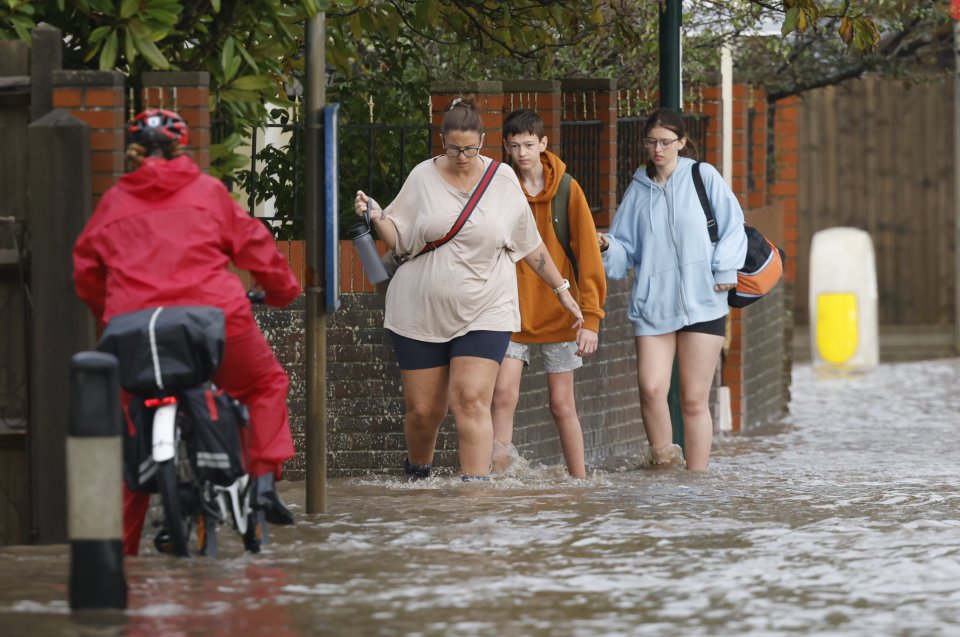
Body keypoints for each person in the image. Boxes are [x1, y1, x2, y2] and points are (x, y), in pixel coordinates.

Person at [73, 108, 302, 555]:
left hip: (135, 331)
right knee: (265, 384)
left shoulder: (114, 202)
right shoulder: (207, 192)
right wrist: (282, 291)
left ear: (134, 153)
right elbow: (256, 246)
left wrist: (110, 318)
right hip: (215, 322)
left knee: (128, 432)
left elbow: (85, 273)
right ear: (181, 147)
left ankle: (117, 558)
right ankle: (262, 482)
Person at [353, 96, 584, 481]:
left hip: (486, 309)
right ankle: (418, 476)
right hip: (419, 312)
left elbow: (530, 244)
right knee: (425, 412)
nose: (463, 156)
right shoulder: (422, 177)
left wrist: (562, 289)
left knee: (472, 400)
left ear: (482, 141)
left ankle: (474, 498)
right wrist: (378, 217)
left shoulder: (502, 181)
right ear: (442, 142)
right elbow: (399, 239)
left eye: (470, 149)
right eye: (454, 149)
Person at [598, 107, 747, 471]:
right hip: (654, 306)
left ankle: (695, 480)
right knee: (651, 389)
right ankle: (664, 465)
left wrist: (726, 267)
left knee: (694, 399)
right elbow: (623, 254)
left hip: (704, 302)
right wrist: (605, 247)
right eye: (651, 142)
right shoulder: (638, 189)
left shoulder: (703, 176)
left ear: (682, 142)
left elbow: (733, 226)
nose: (658, 149)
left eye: (666, 142)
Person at [490, 108, 606, 478]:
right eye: (514, 146)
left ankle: (579, 483)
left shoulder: (568, 190)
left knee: (562, 404)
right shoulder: (500, 189)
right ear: (506, 148)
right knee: (503, 396)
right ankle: (494, 478)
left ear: (543, 143)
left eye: (529, 144)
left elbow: (588, 255)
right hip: (511, 311)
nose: (522, 152)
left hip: (562, 314)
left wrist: (591, 320)